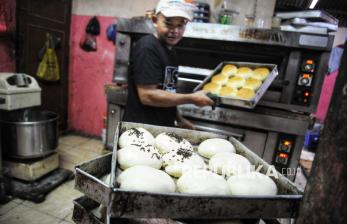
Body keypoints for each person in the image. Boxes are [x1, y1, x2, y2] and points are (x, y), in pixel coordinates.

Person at [123, 0, 214, 128]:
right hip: (141, 130)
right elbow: (147, 96)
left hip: (159, 128)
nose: (175, 31)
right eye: (168, 23)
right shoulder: (147, 48)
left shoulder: (170, 51)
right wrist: (191, 98)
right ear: (155, 20)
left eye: (181, 25)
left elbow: (167, 90)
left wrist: (178, 118)